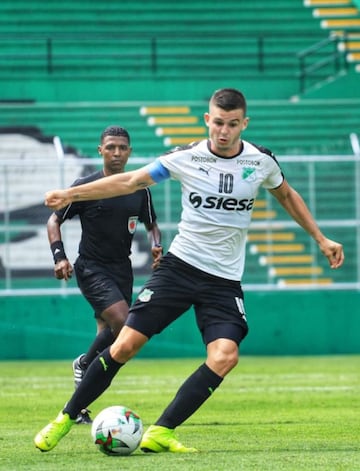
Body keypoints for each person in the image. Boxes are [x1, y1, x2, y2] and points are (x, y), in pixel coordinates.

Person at [35, 88, 344, 454]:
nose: (223, 131)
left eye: (232, 124)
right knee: (125, 345)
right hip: (180, 269)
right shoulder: (187, 158)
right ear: (207, 120)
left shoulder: (261, 162)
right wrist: (73, 195)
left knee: (225, 356)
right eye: (217, 122)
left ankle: (161, 431)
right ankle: (66, 417)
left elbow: (287, 194)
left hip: (224, 280)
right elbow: (130, 181)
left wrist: (320, 238)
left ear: (244, 123)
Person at [47, 125, 162, 424]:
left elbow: (152, 225)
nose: (116, 152)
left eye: (122, 147)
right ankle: (84, 364)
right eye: (111, 147)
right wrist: (60, 256)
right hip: (92, 267)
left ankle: (80, 404)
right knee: (124, 324)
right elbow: (53, 220)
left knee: (112, 338)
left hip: (122, 269)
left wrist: (157, 246)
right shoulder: (87, 187)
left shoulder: (139, 189)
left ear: (130, 152)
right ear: (100, 150)